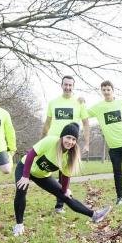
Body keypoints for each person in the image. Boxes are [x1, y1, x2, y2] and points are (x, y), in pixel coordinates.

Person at [12, 123, 111, 236]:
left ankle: (95, 215)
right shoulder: (50, 141)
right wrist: (25, 176)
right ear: (62, 137)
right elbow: (31, 154)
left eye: (74, 139)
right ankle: (19, 225)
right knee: (21, 190)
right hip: (25, 167)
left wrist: (64, 190)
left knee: (66, 196)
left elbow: (65, 176)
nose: (70, 141)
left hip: (41, 175)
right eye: (68, 137)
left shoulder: (69, 156)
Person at [42, 75, 90, 213]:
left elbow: (86, 123)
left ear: (73, 87)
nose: (68, 87)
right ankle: (59, 194)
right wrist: (42, 138)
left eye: (70, 85)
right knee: (46, 170)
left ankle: (60, 205)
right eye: (66, 84)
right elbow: (47, 123)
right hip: (53, 141)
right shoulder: (53, 102)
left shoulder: (79, 102)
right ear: (61, 85)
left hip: (69, 143)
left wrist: (86, 143)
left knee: (65, 173)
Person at [87, 80, 122, 205]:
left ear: (112, 90)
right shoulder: (99, 107)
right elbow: (83, 113)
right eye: (103, 90)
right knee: (117, 172)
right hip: (114, 146)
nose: (106, 92)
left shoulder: (121, 103)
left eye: (108, 89)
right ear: (102, 91)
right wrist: (79, 103)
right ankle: (120, 197)